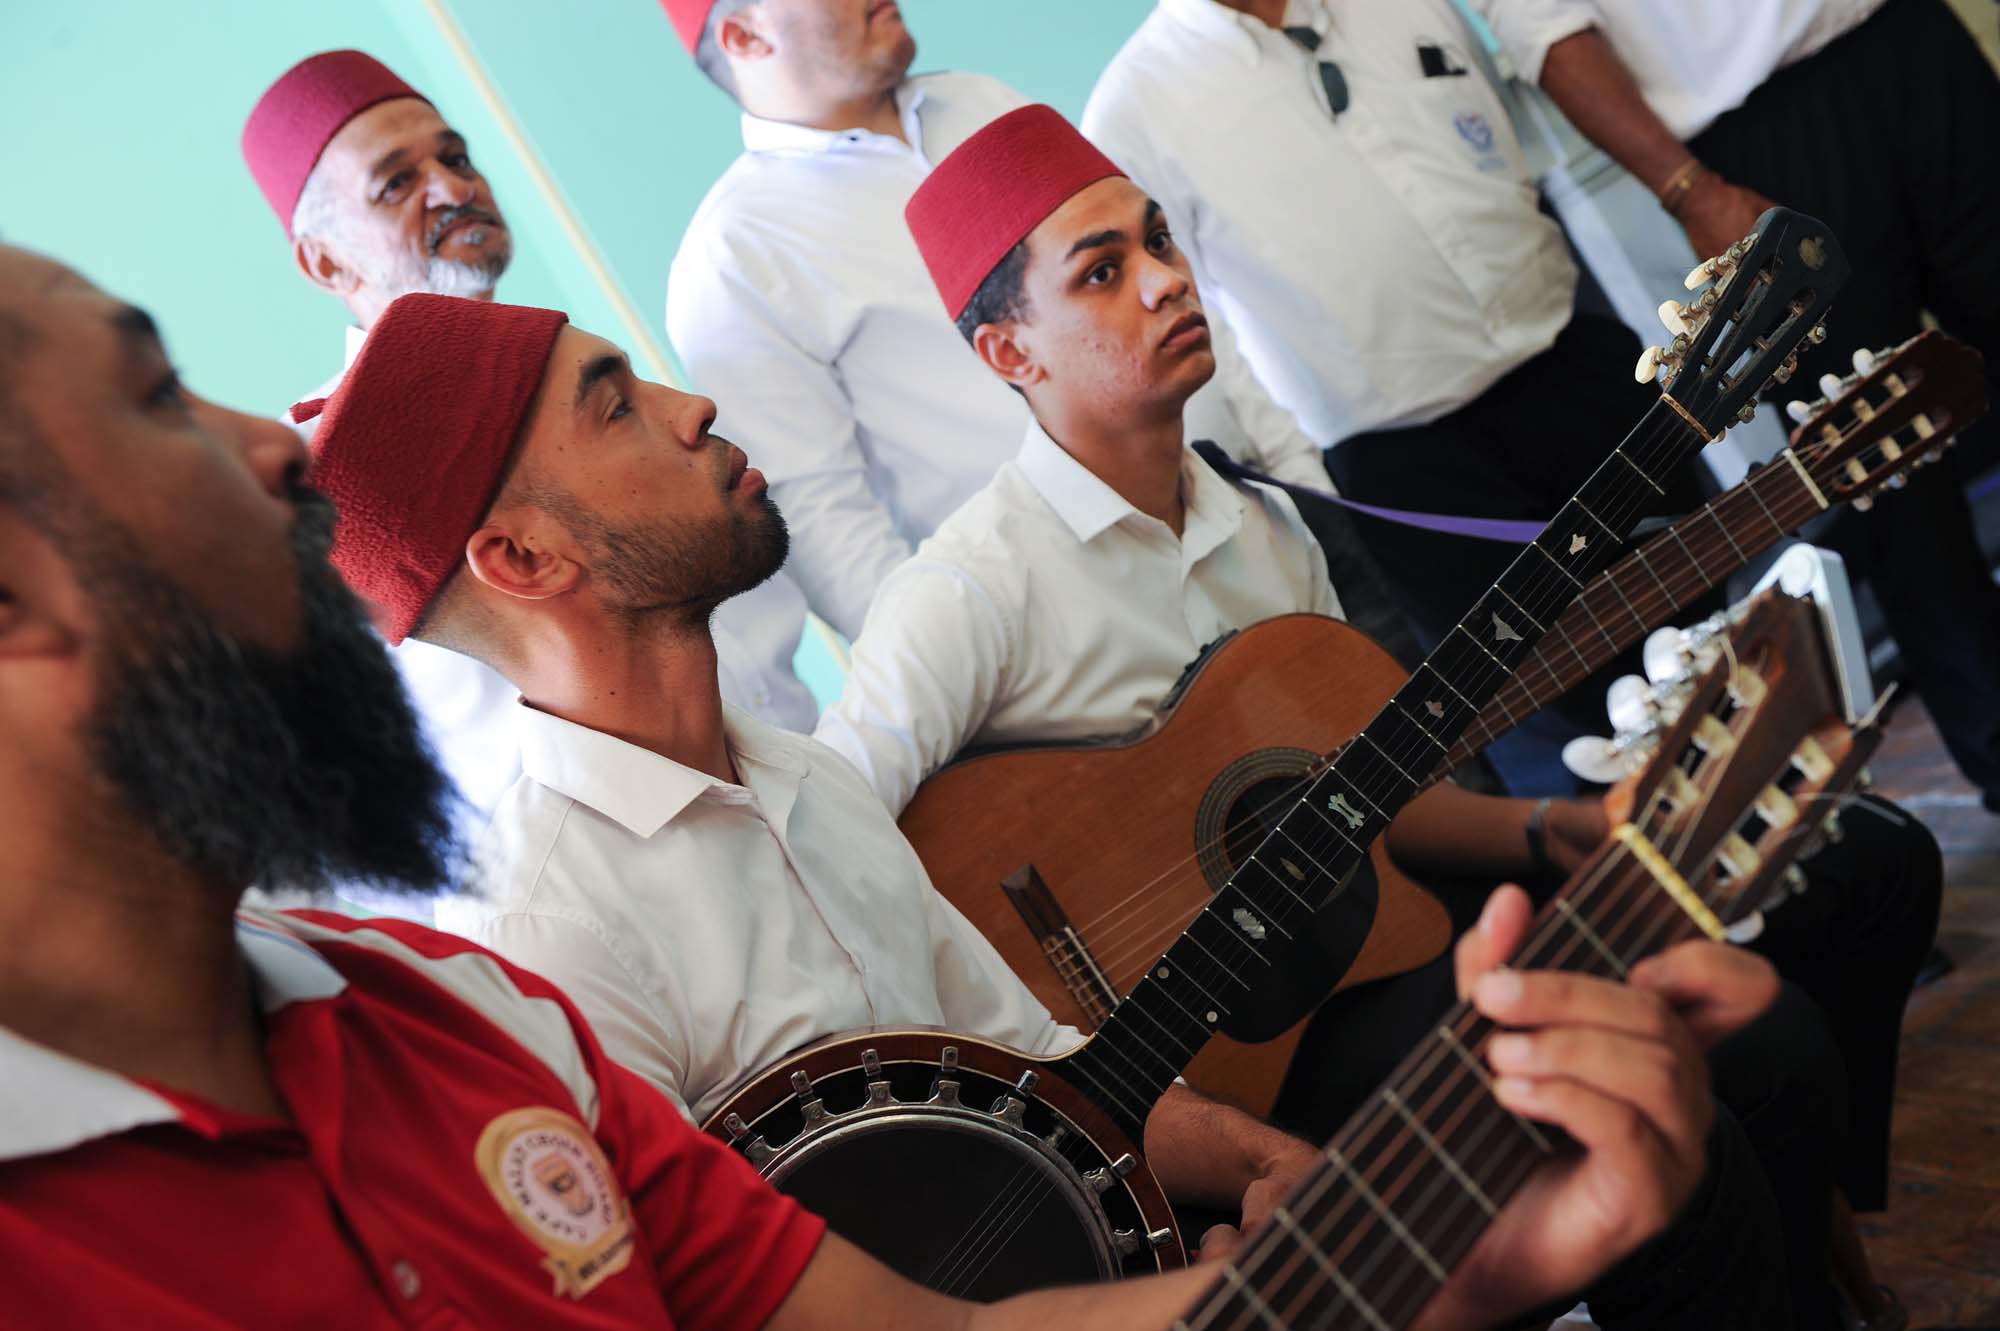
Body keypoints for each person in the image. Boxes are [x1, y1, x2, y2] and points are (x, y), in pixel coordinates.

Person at [0, 243, 1785, 1328]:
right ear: (526, 557)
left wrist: (1351, 1208)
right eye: (619, 402)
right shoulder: (550, 949)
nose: (265, 448)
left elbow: (1037, 1113)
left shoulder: (491, 1000)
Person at [817, 105, 1943, 1329]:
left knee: (1782, 1026)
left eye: (1157, 239)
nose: (1161, 279)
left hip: (1363, 954)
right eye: (1100, 271)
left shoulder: (1261, 522)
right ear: (1008, 353)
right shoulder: (966, 593)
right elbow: (824, 845)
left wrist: (1539, 830)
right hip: (1209, 1076)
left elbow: (1361, 787)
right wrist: (1037, 1036)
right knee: (1674, 1136)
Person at [657, 1, 1417, 678]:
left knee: (1451, 786)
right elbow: (828, 526)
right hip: (1101, 640)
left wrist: (1297, 474)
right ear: (742, 33)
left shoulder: (983, 103)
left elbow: (1162, 277)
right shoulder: (737, 256)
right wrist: (997, 681)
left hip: (1264, 513)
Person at [1080, 0, 1711, 794]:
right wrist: (1305, 482)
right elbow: (1201, 324)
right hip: (1415, 473)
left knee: (1721, 642)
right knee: (1581, 746)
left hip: (1575, 367)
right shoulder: (1131, 109)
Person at [240, 48, 816, 845]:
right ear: (324, 260)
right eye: (397, 183)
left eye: (455, 156)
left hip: (802, 790)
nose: (452, 187)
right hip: (608, 897)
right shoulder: (315, 493)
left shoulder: (578, 370)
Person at [1469, 0, 2000, 815]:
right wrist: (1690, 191)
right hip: (1753, 138)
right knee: (1880, 477)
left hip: (1904, 36)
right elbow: (1546, 33)